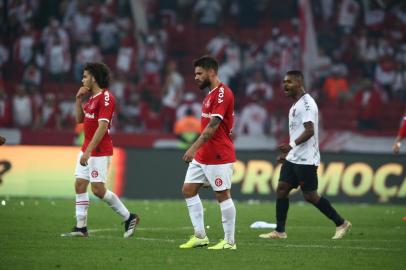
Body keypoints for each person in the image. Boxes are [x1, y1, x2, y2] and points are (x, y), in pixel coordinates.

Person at [259, 70, 351, 240]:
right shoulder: (295, 104)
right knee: (282, 189)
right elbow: (298, 133)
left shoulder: (307, 104)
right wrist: (290, 153)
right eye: (284, 82)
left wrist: (290, 146)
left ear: (299, 84)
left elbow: (309, 131)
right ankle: (280, 231)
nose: (285, 85)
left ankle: (341, 223)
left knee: (310, 195)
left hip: (306, 159)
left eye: (289, 82)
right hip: (294, 157)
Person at [61, 62, 139, 238]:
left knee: (98, 190)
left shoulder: (106, 97)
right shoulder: (91, 99)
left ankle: (129, 217)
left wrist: (88, 151)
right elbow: (80, 120)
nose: (82, 79)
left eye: (85, 76)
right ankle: (81, 227)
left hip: (99, 151)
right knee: (80, 185)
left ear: (94, 78)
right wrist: (78, 100)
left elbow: (103, 126)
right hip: (87, 149)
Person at [179, 56, 237, 250]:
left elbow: (212, 127)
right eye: (195, 73)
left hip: (218, 154)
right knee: (188, 190)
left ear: (211, 72)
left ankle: (229, 242)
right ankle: (200, 236)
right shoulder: (210, 95)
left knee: (222, 195)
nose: (195, 77)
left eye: (199, 73)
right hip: (203, 155)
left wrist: (192, 148)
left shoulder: (222, 94)